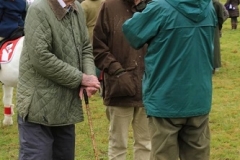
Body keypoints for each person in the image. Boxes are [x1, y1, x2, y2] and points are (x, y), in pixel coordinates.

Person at [122, 0, 216, 159]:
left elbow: (132, 32)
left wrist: (141, 7)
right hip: (198, 96)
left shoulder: (160, 8)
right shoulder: (209, 7)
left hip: (165, 98)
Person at [16, 0, 100, 159]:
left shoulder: (77, 9)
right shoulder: (39, 9)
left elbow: (85, 48)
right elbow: (41, 58)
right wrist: (80, 78)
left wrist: (90, 76)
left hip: (65, 108)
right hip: (38, 109)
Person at [92, 0, 151, 159]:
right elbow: (98, 48)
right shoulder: (109, 6)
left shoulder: (154, 6)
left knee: (146, 144)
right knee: (118, 144)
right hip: (119, 88)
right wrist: (118, 72)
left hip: (149, 88)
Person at [212, 0, 227, 73]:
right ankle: (214, 66)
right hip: (214, 26)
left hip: (207, 26)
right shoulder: (217, 3)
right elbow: (221, 17)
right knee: (215, 47)